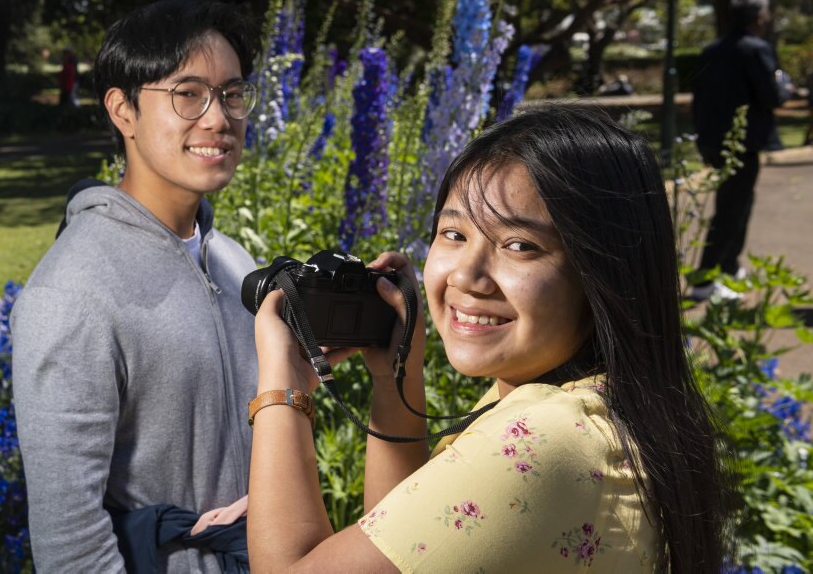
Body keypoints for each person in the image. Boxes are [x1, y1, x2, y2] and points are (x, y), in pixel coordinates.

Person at [247, 107, 730, 571]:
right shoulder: (580, 403)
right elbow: (403, 543)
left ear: (604, 275)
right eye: (453, 233)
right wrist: (396, 374)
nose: (467, 276)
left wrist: (283, 388)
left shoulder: (547, 439)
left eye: (519, 246)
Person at [12, 0, 260, 572]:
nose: (219, 118)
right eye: (188, 93)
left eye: (231, 93)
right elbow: (71, 550)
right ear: (123, 111)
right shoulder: (71, 295)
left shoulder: (232, 260)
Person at [691, 0, 787, 301]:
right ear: (759, 17)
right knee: (732, 208)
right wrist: (785, 88)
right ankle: (705, 279)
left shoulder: (711, 50)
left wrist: (703, 140)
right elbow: (772, 96)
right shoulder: (756, 50)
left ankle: (729, 267)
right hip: (743, 142)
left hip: (714, 140)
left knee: (739, 203)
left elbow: (699, 100)